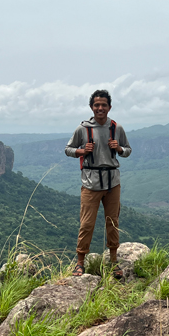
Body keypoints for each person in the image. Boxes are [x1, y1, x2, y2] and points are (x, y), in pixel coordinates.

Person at [65, 89, 132, 277]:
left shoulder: (116, 128)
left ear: (109, 107)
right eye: (96, 105)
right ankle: (80, 262)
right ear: (91, 107)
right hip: (90, 183)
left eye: (103, 105)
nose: (100, 108)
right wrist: (81, 151)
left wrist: (118, 148)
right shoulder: (83, 129)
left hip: (112, 182)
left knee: (113, 222)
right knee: (87, 223)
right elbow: (68, 149)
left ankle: (113, 261)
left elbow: (128, 150)